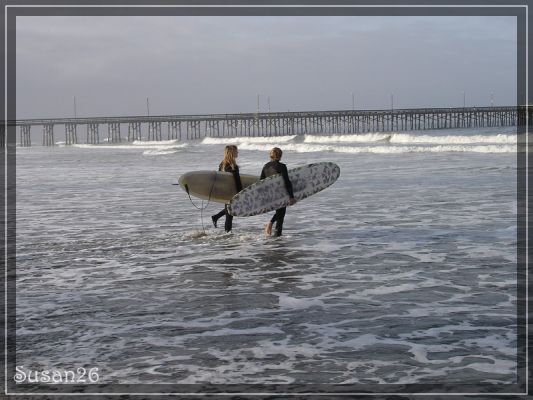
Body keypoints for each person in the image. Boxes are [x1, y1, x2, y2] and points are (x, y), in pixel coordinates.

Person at [261, 147, 296, 237]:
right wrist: (291, 196)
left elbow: (261, 182)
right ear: (280, 156)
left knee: (280, 212)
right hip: (280, 193)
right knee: (281, 214)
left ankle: (275, 232)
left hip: (270, 194)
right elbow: (287, 182)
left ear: (271, 155)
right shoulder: (282, 166)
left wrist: (263, 198)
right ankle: (274, 230)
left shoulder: (266, 166)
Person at [211, 145, 242, 232]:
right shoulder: (233, 166)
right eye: (236, 151)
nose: (238, 152)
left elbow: (219, 178)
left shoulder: (222, 164)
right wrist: (240, 193)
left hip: (224, 191)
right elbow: (237, 181)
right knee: (230, 215)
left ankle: (216, 217)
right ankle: (227, 235)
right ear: (232, 152)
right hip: (231, 192)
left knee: (230, 211)